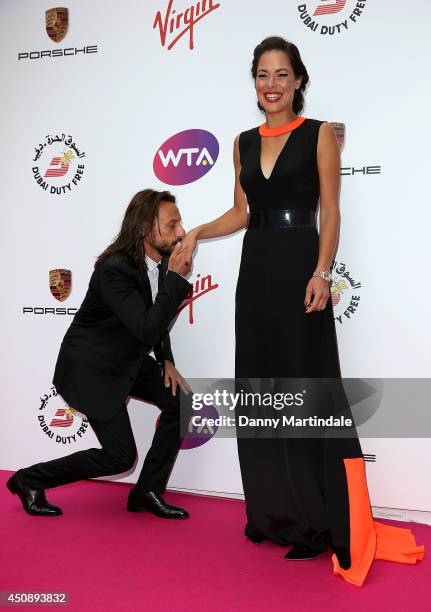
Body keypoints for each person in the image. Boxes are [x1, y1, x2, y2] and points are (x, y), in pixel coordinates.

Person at [178, 36, 424, 585]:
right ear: (255, 83)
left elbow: (331, 212)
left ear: (298, 80)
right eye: (262, 75)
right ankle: (274, 514)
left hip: (299, 272)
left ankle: (318, 520)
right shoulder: (241, 143)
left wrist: (321, 271)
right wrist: (195, 231)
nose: (271, 85)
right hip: (256, 274)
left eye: (281, 74)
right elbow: (241, 213)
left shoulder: (318, 136)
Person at [7, 189, 194, 520]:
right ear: (144, 230)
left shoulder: (160, 262)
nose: (181, 233)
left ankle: (146, 491)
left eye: (180, 224)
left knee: (181, 402)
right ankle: (28, 479)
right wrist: (178, 278)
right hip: (90, 369)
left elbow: (157, 320)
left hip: (127, 361)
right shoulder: (115, 270)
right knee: (120, 457)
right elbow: (147, 327)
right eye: (172, 225)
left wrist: (167, 360)